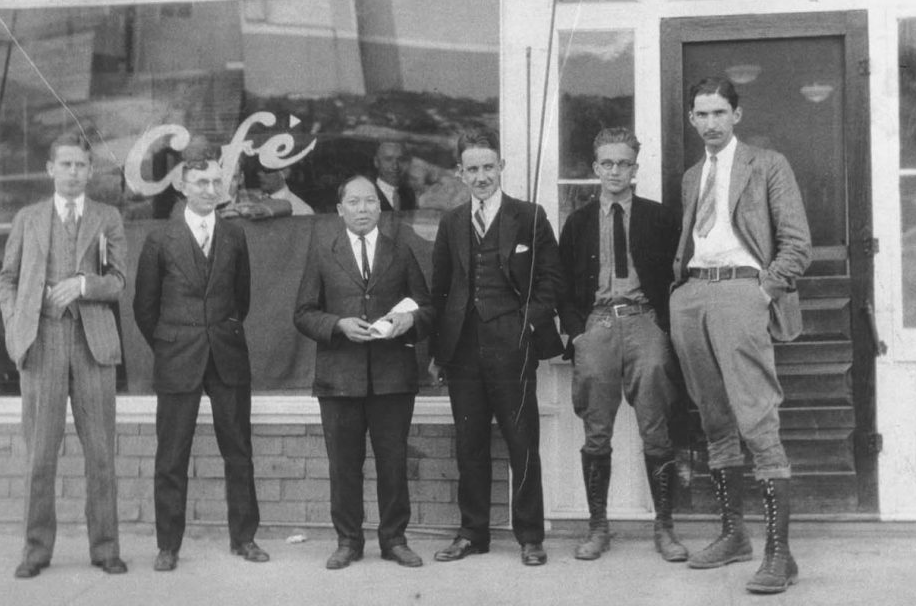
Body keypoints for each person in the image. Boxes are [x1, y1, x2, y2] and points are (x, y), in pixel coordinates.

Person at [670, 77, 811, 594]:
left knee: (756, 418)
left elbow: (797, 245)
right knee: (714, 419)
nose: (710, 123)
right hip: (693, 296)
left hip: (741, 293)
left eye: (719, 112)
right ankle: (734, 535)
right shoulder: (692, 177)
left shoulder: (766, 164)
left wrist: (762, 292)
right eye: (702, 114)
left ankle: (780, 554)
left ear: (737, 114)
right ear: (692, 118)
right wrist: (680, 292)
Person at [429, 127, 563, 567]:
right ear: (459, 174)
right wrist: (438, 351)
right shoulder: (450, 222)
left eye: (489, 167)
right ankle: (473, 533)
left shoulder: (529, 216)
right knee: (469, 443)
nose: (482, 176)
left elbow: (550, 282)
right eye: (473, 169)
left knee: (522, 440)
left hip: (513, 345)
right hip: (463, 349)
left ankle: (530, 536)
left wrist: (527, 325)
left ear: (501, 167)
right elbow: (442, 289)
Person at [0, 131, 128, 578]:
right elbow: (7, 280)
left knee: (101, 455)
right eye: (66, 164)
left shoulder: (107, 217)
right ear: (50, 169)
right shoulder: (28, 218)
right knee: (40, 455)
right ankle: (35, 551)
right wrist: (18, 329)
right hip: (43, 343)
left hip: (94, 345)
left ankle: (106, 548)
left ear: (91, 171)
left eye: (81, 165)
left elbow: (119, 281)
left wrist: (85, 285)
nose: (74, 172)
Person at [133, 147, 268, 572]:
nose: (211, 190)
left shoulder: (234, 236)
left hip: (227, 355)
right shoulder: (161, 239)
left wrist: (216, 334)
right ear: (182, 186)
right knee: (171, 455)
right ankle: (168, 545)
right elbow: (145, 308)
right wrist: (173, 345)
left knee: (239, 452)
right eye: (202, 183)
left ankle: (244, 538)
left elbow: (240, 299)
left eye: (216, 182)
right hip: (178, 358)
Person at [557, 127, 686, 562]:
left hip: (644, 320)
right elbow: (560, 284)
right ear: (595, 168)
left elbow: (677, 275)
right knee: (596, 430)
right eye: (607, 163)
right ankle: (598, 527)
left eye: (624, 163)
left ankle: (664, 528)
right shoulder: (577, 223)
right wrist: (577, 331)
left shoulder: (660, 217)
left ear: (636, 168)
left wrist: (665, 328)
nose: (615, 171)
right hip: (597, 325)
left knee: (656, 426)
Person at [293, 175, 435, 570]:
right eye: (353, 202)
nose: (362, 209)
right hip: (339, 378)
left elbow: (426, 307)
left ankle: (394, 540)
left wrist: (410, 321)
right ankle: (348, 541)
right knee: (343, 465)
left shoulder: (400, 250)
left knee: (393, 463)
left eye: (369, 202)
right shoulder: (324, 252)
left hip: (392, 377)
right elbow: (303, 314)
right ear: (340, 210)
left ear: (379, 207)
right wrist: (337, 325)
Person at [373, 141, 417, 212]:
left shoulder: (409, 194)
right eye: (388, 160)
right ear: (376, 162)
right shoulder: (365, 193)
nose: (395, 166)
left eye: (401, 160)